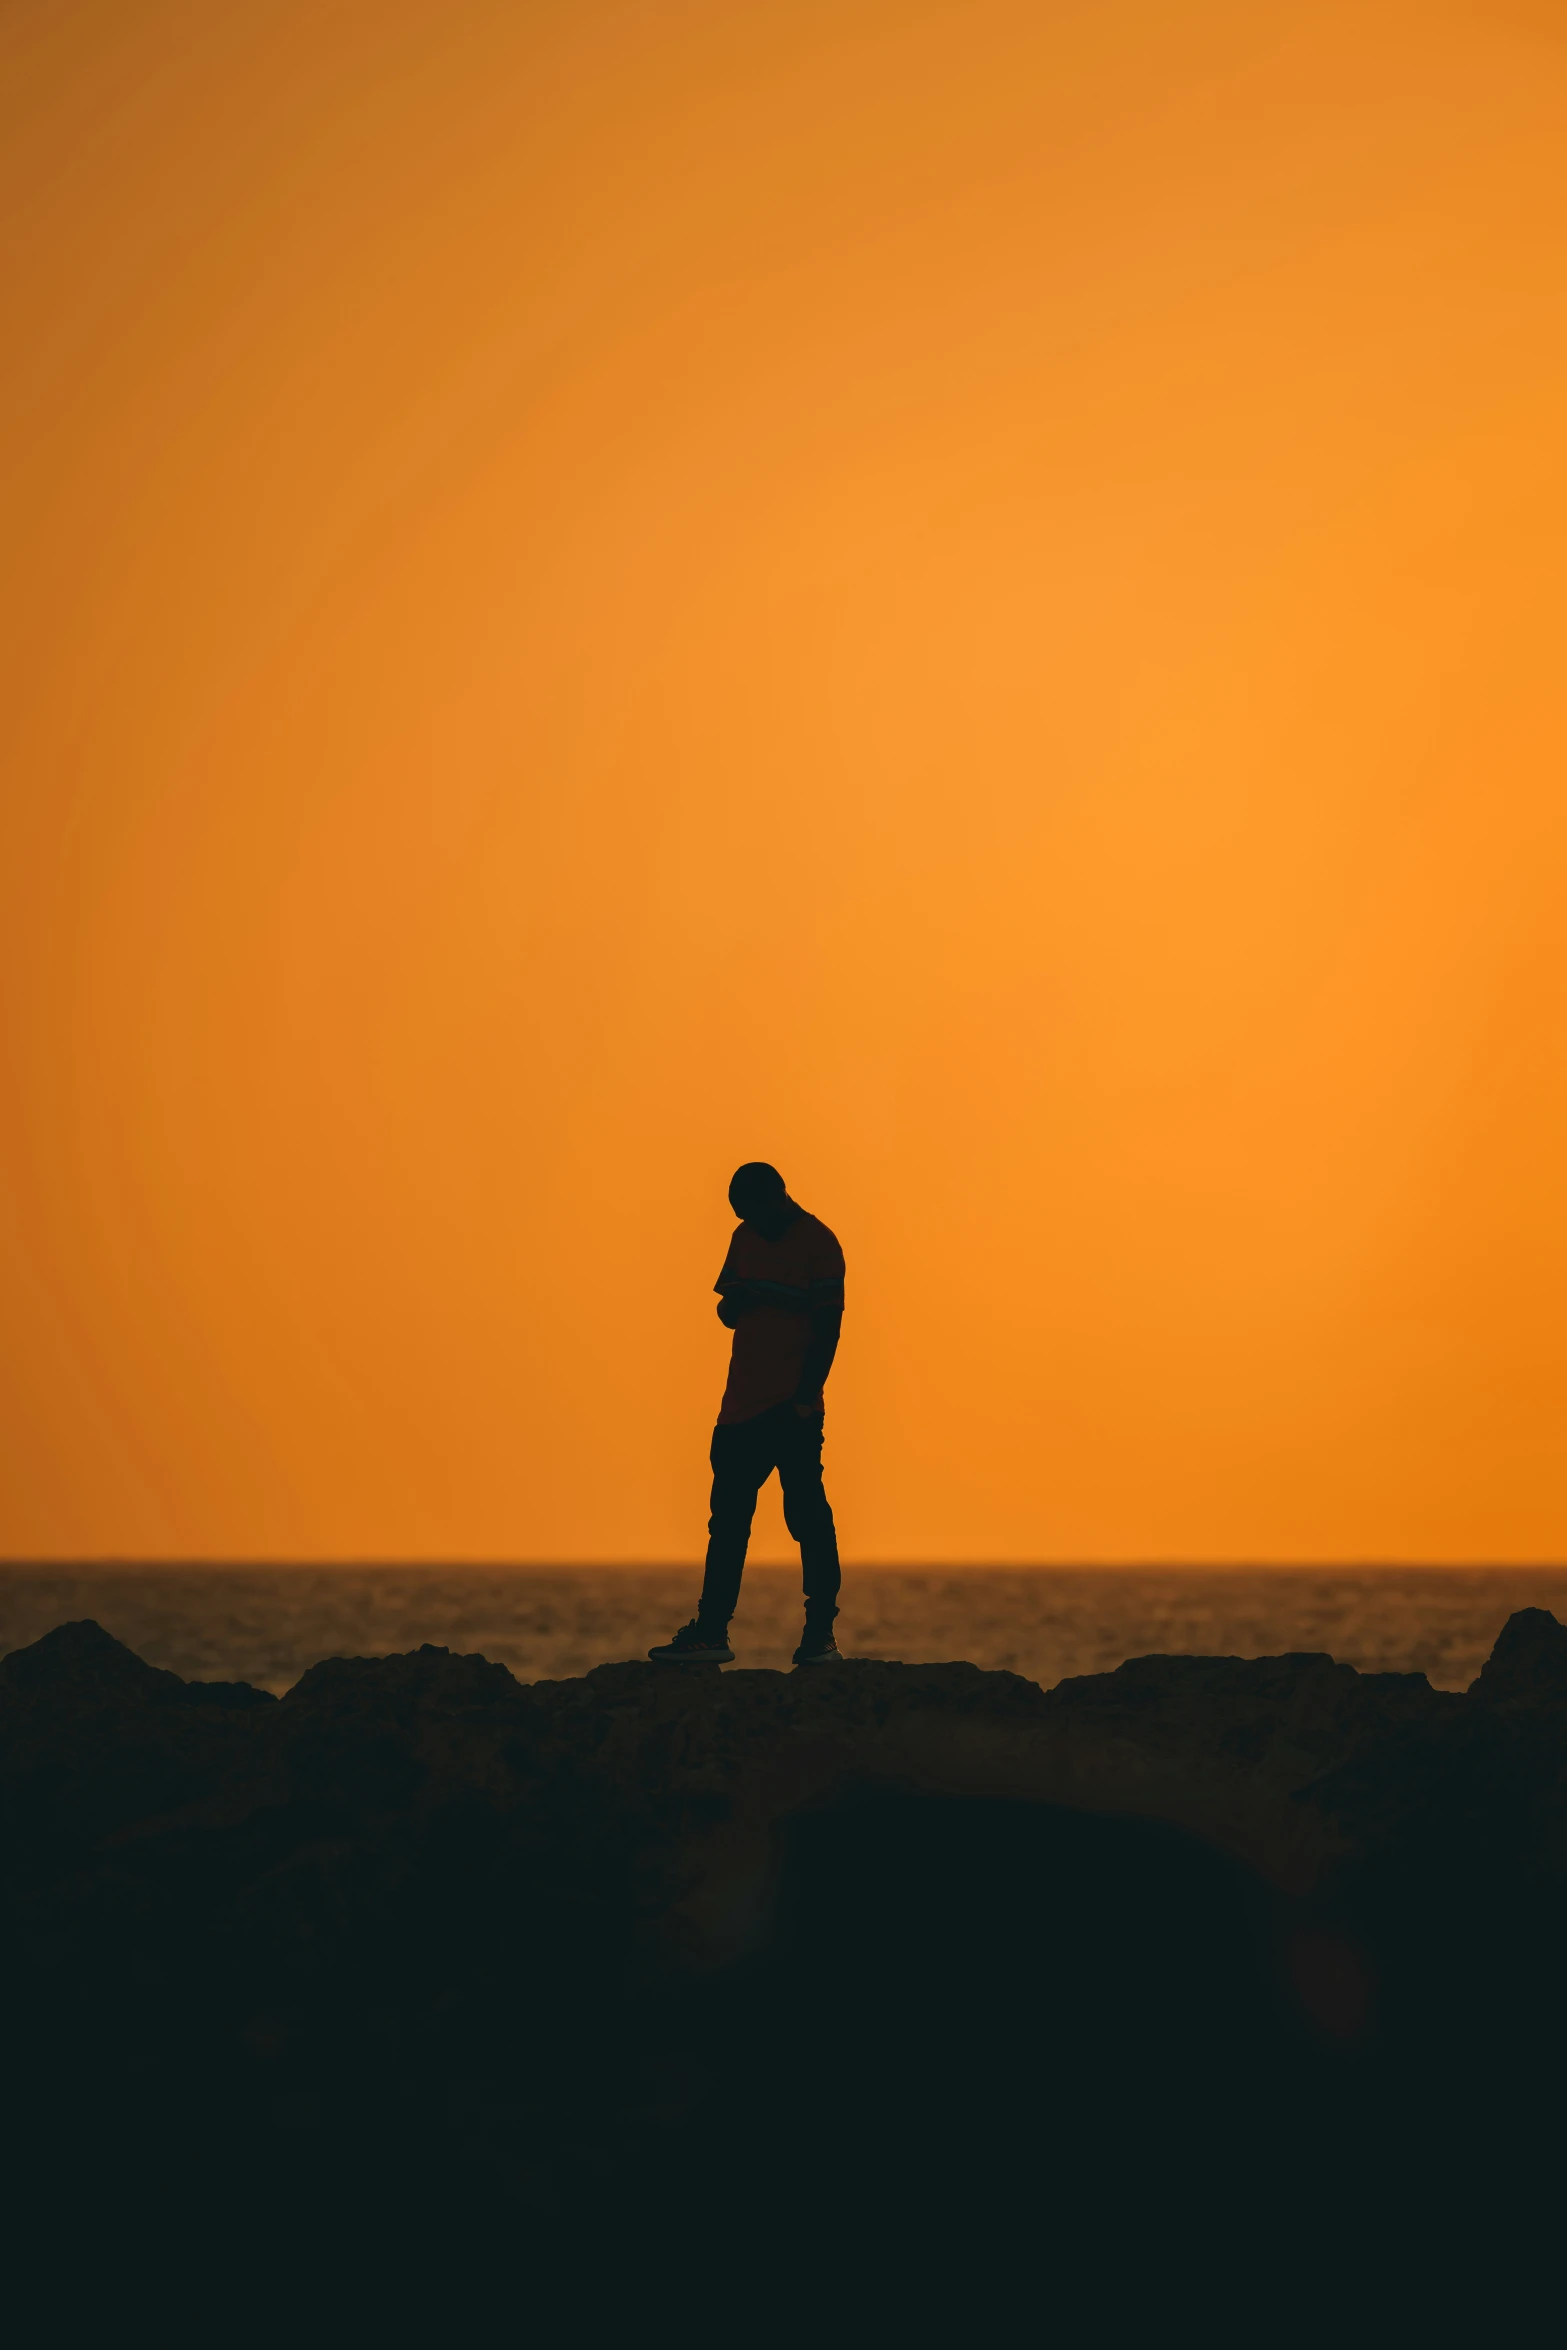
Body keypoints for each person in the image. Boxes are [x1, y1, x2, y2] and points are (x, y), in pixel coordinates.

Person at [650, 1162, 845, 1666]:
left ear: (777, 1197)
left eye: (755, 1212)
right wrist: (738, 1300)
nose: (750, 1222)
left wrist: (806, 1397)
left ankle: (820, 1635)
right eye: (742, 1216)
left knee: (807, 1520)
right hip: (740, 1412)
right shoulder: (744, 1238)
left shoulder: (820, 1244)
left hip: (793, 1409)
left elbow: (829, 1328)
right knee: (728, 1525)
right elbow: (727, 1313)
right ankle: (712, 1631)